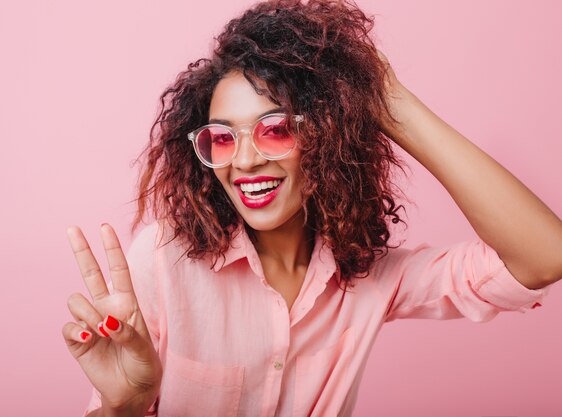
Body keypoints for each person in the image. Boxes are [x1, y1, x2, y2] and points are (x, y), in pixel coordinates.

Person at [62, 0, 561, 416]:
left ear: (326, 137)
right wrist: (123, 406)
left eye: (275, 128)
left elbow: (544, 256)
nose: (246, 161)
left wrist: (390, 104)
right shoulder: (165, 260)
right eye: (222, 138)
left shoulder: (368, 277)